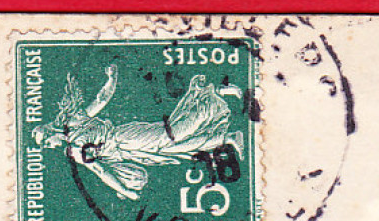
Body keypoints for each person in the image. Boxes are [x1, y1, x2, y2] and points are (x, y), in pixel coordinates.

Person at [32, 66, 246, 202]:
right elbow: (102, 171)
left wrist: (112, 79)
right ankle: (228, 138)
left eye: (46, 141)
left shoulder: (74, 122)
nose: (48, 146)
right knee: (177, 149)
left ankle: (212, 94)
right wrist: (125, 189)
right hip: (128, 154)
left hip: (124, 137)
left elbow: (100, 100)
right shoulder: (73, 151)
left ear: (50, 131)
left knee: (172, 135)